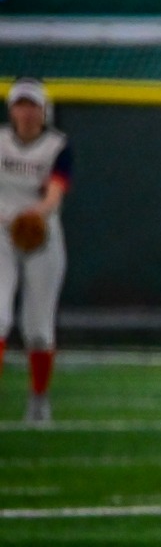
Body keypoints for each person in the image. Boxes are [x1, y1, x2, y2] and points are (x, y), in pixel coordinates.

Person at [0, 78, 70, 425]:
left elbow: (55, 192)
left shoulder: (57, 146)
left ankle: (39, 399)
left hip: (41, 236)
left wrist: (34, 215)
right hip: (0, 233)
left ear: (45, 111)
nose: (26, 112)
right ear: (11, 109)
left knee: (38, 328)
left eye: (32, 105)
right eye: (20, 104)